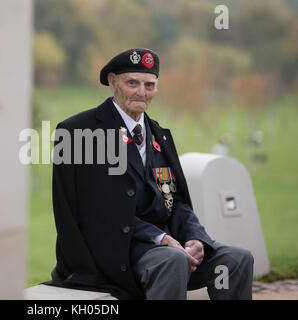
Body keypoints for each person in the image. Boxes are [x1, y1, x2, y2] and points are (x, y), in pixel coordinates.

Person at [44, 48, 254, 300]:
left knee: (237, 259)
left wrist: (196, 238)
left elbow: (175, 202)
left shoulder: (160, 135)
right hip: (114, 250)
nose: (141, 92)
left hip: (165, 247)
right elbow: (95, 210)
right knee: (173, 260)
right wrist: (161, 237)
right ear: (113, 82)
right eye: (132, 83)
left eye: (149, 85)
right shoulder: (80, 132)